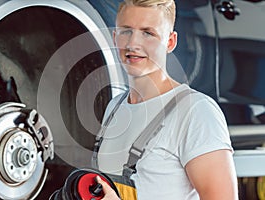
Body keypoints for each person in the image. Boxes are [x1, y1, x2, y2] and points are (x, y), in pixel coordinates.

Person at [95, 0, 239, 199]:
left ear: (170, 42)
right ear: (114, 37)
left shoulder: (195, 111)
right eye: (126, 31)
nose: (133, 44)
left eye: (148, 33)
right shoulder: (115, 107)